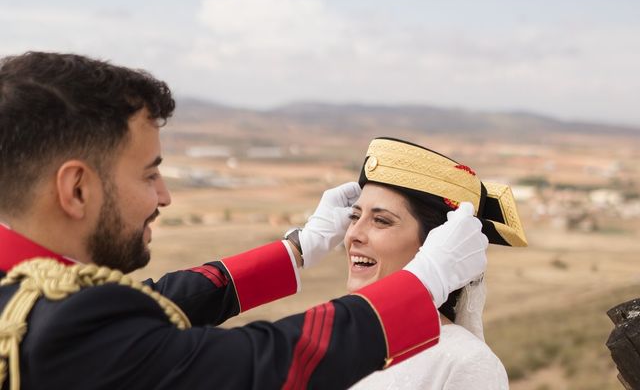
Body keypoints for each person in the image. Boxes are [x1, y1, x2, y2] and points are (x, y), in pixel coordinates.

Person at [0, 52, 489, 390]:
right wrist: (423, 282)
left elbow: (157, 302)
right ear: (77, 189)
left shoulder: (27, 298)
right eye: (150, 175)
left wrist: (296, 252)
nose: (164, 196)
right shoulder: (69, 321)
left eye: (379, 219)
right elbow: (262, 366)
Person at [346, 137, 528, 389]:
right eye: (354, 216)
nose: (353, 233)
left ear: (438, 244)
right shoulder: (340, 341)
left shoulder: (466, 362)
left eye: (381, 221)